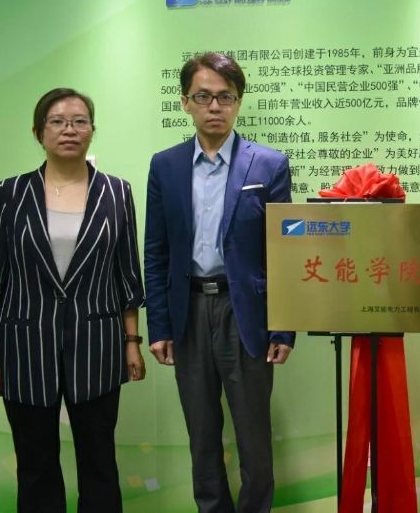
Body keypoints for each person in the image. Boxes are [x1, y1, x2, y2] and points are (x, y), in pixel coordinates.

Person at [0, 88, 145, 513]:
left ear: (92, 130)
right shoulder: (11, 193)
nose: (69, 129)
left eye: (79, 121)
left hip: (98, 345)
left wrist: (132, 343)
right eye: (57, 121)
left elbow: (127, 274)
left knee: (99, 460)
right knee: (35, 463)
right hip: (25, 345)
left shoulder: (116, 192)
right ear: (38, 132)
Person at [144, 51, 295, 513]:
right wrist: (160, 326)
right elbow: (156, 251)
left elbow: (283, 253)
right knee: (202, 436)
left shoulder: (268, 164)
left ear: (238, 102)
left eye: (225, 97)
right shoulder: (165, 166)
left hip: (245, 313)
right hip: (188, 312)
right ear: (185, 102)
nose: (215, 106)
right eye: (203, 96)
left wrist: (283, 327)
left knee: (254, 437)